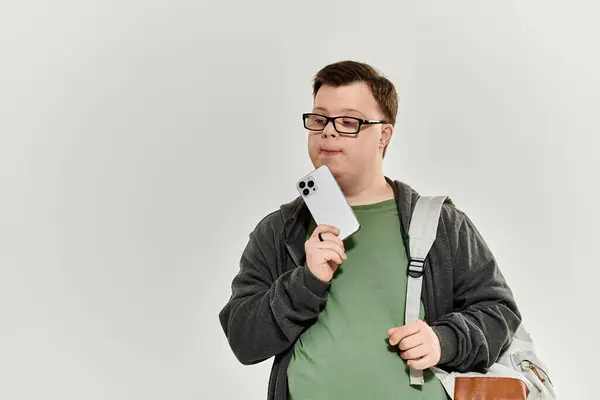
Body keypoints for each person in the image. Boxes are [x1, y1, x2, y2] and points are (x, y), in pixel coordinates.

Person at [218, 60, 522, 400]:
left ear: (384, 134)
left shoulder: (440, 223)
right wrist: (305, 282)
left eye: (349, 122)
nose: (328, 131)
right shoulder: (279, 231)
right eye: (319, 119)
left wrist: (443, 340)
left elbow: (499, 312)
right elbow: (243, 340)